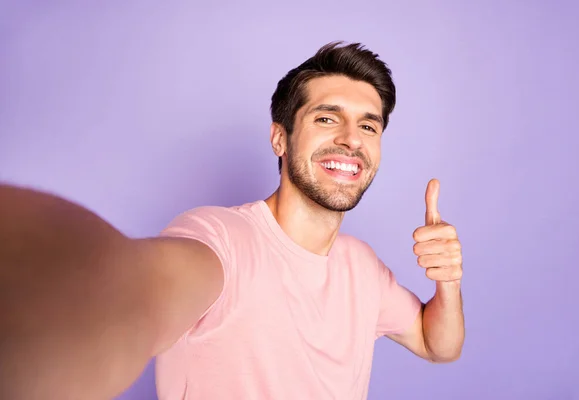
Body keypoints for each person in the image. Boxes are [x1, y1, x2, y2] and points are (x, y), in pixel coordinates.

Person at [0, 42, 464, 400]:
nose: (351, 140)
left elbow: (437, 344)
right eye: (327, 118)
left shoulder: (362, 267)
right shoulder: (221, 239)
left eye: (368, 126)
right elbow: (129, 292)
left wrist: (448, 282)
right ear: (280, 139)